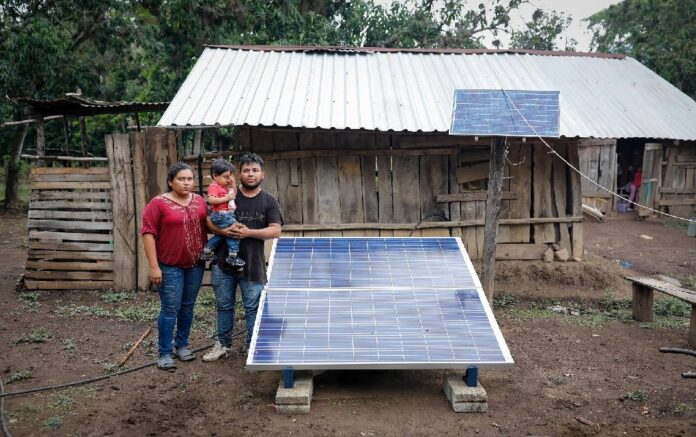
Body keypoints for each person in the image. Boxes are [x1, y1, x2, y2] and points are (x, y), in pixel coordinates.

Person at [203, 153, 283, 361]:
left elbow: (275, 230)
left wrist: (248, 233)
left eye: (255, 170)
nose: (250, 174)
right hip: (223, 263)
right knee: (224, 306)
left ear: (262, 174)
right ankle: (222, 345)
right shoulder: (227, 194)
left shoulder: (268, 201)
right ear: (239, 174)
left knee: (253, 307)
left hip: (252, 263)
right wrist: (224, 231)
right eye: (246, 170)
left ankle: (252, 346)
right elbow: (208, 221)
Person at [141, 162, 208, 370]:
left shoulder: (199, 201)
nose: (186, 183)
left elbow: (209, 224)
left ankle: (182, 345)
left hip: (195, 264)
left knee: (187, 306)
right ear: (171, 181)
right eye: (181, 179)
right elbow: (148, 234)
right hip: (169, 266)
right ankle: (164, 352)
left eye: (190, 179)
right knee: (170, 308)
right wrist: (154, 267)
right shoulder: (158, 204)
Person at [199, 159, 245, 268]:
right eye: (226, 177)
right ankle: (232, 256)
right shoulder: (214, 186)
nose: (228, 179)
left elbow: (234, 194)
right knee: (234, 231)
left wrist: (233, 184)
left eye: (229, 177)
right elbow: (211, 200)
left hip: (226, 214)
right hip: (220, 215)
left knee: (221, 235)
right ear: (215, 175)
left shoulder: (224, 186)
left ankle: (206, 251)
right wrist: (226, 198)